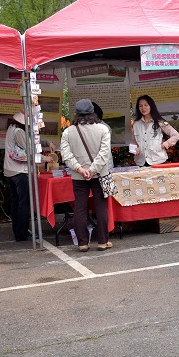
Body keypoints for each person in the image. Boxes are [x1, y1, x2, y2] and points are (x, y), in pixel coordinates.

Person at [60, 98, 114, 252]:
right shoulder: (103, 129)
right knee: (101, 207)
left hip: (79, 176)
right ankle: (103, 241)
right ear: (92, 112)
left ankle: (83, 242)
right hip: (100, 174)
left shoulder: (68, 131)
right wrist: (93, 169)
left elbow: (66, 155)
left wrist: (80, 169)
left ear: (76, 113)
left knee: (80, 208)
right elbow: (104, 154)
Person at [3, 111, 33, 242]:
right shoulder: (19, 132)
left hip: (9, 170)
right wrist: (45, 158)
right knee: (23, 203)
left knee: (16, 202)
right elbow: (30, 149)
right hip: (20, 171)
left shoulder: (11, 128)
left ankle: (17, 230)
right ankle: (22, 234)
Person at [132, 94, 179, 166]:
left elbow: (176, 135)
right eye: (140, 106)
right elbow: (133, 141)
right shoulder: (136, 124)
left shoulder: (160, 122)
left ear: (151, 106)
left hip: (158, 161)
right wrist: (135, 149)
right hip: (141, 162)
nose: (143, 108)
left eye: (146, 105)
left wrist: (163, 145)